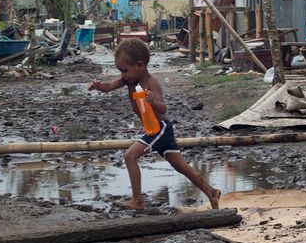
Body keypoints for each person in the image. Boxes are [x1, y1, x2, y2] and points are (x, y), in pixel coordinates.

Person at [88, 38, 221, 210]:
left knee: (130, 156)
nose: (122, 75)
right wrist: (98, 86)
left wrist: (151, 100)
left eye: (124, 71)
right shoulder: (129, 80)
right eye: (120, 71)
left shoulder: (151, 83)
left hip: (159, 128)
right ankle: (211, 192)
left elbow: (163, 108)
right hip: (157, 130)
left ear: (140, 65)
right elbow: (109, 86)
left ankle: (137, 200)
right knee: (181, 167)